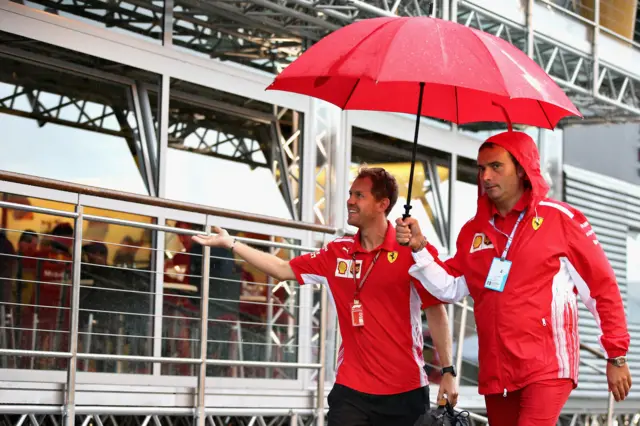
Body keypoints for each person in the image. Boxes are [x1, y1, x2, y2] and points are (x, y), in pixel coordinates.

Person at [396, 131, 632, 426]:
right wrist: (419, 247)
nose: (485, 176)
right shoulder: (473, 231)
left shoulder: (560, 219)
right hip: (497, 372)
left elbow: (602, 288)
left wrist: (616, 355)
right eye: (481, 168)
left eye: (496, 166)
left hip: (548, 367)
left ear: (521, 169)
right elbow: (450, 286)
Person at [193, 166, 458, 426]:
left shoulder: (413, 250)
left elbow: (436, 309)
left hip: (405, 391)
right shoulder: (337, 252)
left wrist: (447, 371)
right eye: (350, 194)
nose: (349, 201)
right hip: (351, 390)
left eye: (359, 196)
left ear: (382, 204)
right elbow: (284, 269)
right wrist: (232, 243)